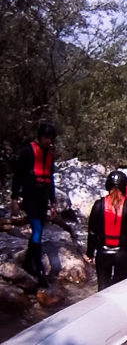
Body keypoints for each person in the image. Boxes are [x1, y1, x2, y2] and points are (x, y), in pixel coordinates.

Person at [11, 122, 58, 288]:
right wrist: (15, 198)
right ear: (40, 137)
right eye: (46, 137)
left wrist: (53, 203)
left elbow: (50, 180)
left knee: (39, 232)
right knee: (37, 231)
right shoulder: (28, 152)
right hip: (30, 196)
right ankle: (40, 273)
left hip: (42, 197)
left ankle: (27, 263)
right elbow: (18, 176)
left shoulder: (50, 154)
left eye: (51, 138)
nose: (48, 141)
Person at [86, 171, 127, 291]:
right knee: (119, 290)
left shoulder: (99, 205)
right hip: (123, 255)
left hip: (103, 253)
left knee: (103, 289)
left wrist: (90, 253)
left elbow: (92, 232)